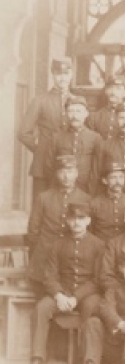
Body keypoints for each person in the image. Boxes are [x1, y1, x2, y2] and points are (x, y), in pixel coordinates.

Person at [24, 202, 104, 364]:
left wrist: (76, 297)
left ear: (88, 221)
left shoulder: (98, 245)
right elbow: (50, 276)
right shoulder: (57, 244)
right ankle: (38, 358)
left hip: (87, 293)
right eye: (73, 219)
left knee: (92, 308)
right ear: (67, 221)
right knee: (41, 308)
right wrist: (59, 295)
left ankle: (89, 361)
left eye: (81, 219)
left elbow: (97, 280)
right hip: (62, 291)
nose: (76, 223)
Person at [26, 153, 91, 279]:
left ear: (76, 173)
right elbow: (33, 231)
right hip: (44, 255)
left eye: (70, 171)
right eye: (62, 172)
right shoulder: (44, 198)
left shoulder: (85, 199)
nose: (66, 176)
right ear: (56, 174)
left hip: (71, 257)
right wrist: (39, 251)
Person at [18, 56, 73, 196]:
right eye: (59, 74)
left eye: (66, 74)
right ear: (53, 75)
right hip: (43, 163)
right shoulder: (40, 101)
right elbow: (23, 132)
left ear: (71, 75)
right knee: (40, 205)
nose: (62, 78)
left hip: (68, 163)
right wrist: (41, 147)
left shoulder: (77, 101)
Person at [45, 94, 101, 194]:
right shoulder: (57, 137)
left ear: (86, 113)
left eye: (78, 111)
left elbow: (96, 169)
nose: (74, 116)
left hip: (85, 189)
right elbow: (50, 166)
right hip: (61, 189)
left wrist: (91, 192)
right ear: (66, 114)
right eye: (71, 111)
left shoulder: (95, 138)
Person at [89, 161, 125, 242]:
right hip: (102, 247)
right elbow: (90, 231)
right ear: (105, 181)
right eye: (113, 178)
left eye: (121, 177)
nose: (118, 181)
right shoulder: (94, 204)